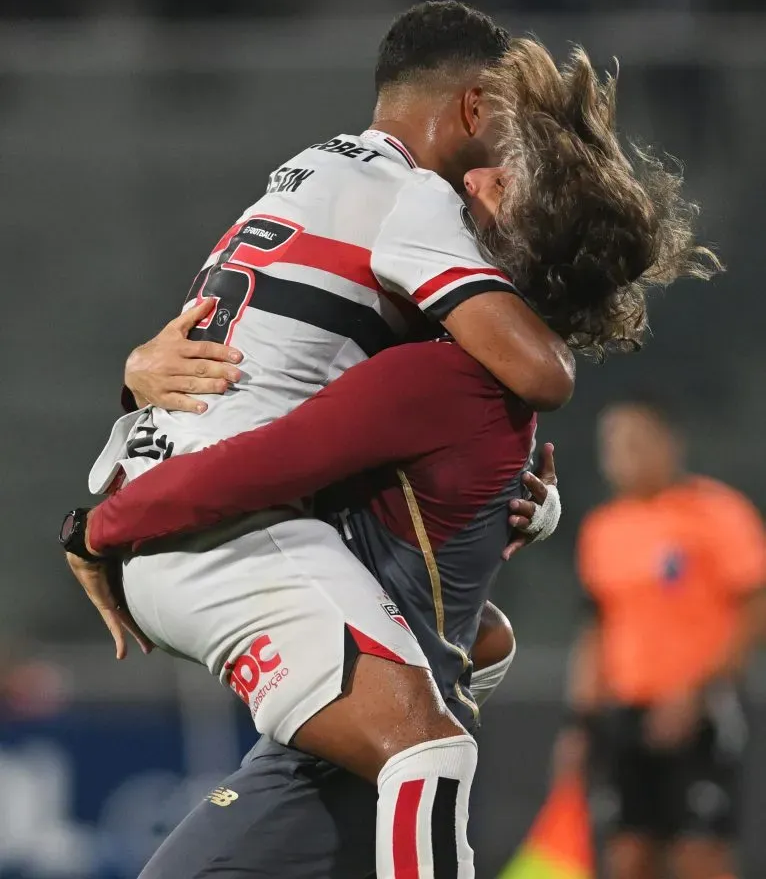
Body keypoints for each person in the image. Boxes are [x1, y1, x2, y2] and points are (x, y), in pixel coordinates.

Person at [68, 49, 716, 877]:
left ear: (517, 240)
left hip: (329, 675)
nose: (474, 180)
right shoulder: (467, 375)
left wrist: (98, 525)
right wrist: (139, 381)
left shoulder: (440, 374)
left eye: (503, 183)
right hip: (373, 682)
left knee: (426, 750)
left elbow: (263, 461)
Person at [555, 398, 766, 879]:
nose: (621, 455)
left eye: (634, 441)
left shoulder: (719, 512)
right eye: (611, 444)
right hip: (625, 715)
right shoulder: (602, 529)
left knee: (702, 854)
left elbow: (754, 610)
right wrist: (579, 720)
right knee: (628, 855)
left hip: (702, 711)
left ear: (670, 443)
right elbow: (595, 628)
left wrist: (698, 692)